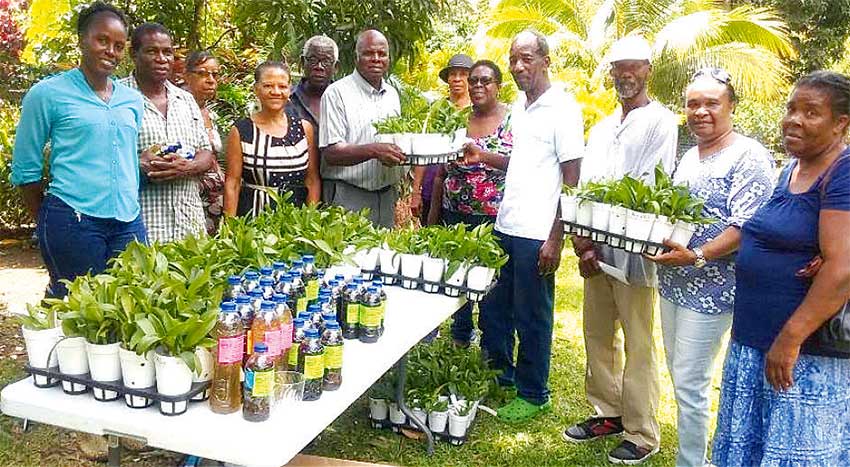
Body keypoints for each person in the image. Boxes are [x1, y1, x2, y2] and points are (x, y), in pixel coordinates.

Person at [711, 71, 850, 466]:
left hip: (801, 354)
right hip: (755, 340)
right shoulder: (790, 169)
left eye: (811, 112)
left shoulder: (843, 170)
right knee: (752, 448)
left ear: (841, 123)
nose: (794, 119)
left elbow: (843, 268)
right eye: (791, 109)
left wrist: (790, 339)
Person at [645, 69, 775, 467]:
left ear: (731, 106)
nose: (700, 111)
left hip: (713, 288)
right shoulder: (689, 155)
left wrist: (698, 255)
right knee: (679, 374)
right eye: (693, 104)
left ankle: (692, 462)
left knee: (690, 382)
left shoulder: (748, 155)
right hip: (673, 281)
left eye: (711, 103)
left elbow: (746, 225)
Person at [563, 36, 678, 465]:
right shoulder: (603, 127)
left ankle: (642, 431)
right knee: (596, 332)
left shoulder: (661, 121)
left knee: (638, 338)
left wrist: (607, 232)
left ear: (648, 69)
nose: (625, 74)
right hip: (596, 245)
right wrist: (583, 240)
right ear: (611, 71)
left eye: (633, 67)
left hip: (636, 248)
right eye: (618, 67)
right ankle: (607, 412)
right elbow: (587, 187)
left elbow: (647, 186)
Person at [11, 2, 145, 298]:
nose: (111, 51)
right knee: (76, 310)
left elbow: (125, 159)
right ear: (82, 39)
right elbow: (25, 168)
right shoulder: (47, 94)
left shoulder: (132, 101)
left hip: (128, 222)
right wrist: (50, 217)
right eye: (102, 40)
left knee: (130, 305)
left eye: (119, 45)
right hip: (74, 220)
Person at [481, 30, 583, 423]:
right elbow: (522, 164)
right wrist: (484, 156)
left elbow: (572, 179)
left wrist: (556, 238)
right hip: (507, 224)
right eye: (513, 58)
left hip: (537, 231)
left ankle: (534, 392)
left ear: (545, 60)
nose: (518, 66)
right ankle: (504, 378)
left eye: (527, 58)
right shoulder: (521, 107)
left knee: (532, 315)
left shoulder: (563, 108)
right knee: (496, 308)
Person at [427, 60, 512, 347]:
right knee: (456, 281)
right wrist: (433, 218)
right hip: (455, 215)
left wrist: (484, 156)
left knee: (491, 286)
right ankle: (459, 338)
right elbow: (440, 172)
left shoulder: (513, 120)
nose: (478, 86)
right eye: (474, 81)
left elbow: (522, 166)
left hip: (493, 218)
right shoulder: (457, 120)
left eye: (485, 81)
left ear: (498, 85)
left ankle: (493, 348)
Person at [121, 23, 215, 244]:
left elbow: (206, 152)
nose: (161, 58)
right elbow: (104, 162)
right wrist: (141, 166)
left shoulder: (186, 100)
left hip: (189, 227)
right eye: (152, 51)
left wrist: (189, 166)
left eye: (167, 52)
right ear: (134, 54)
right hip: (141, 227)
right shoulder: (117, 98)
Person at [319, 29, 406, 227]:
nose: (376, 58)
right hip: (347, 196)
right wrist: (375, 150)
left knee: (383, 255)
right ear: (356, 57)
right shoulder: (336, 93)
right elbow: (331, 153)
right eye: (369, 53)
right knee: (347, 255)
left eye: (382, 54)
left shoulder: (392, 95)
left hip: (385, 197)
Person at [223, 61, 321, 216]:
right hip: (253, 219)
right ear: (256, 89)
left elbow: (312, 180)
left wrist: (311, 219)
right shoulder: (241, 131)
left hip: (295, 220)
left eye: (282, 86)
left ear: (289, 89)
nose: (276, 92)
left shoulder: (304, 128)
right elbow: (232, 184)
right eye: (268, 86)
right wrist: (228, 229)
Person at [413, 53, 473, 223]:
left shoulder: (477, 111)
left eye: (463, 74)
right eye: (453, 74)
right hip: (432, 187)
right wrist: (415, 191)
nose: (457, 79)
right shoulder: (436, 109)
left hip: (464, 192)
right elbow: (422, 149)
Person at [184, 50, 225, 235]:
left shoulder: (210, 112)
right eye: (202, 73)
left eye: (214, 74)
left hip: (216, 199)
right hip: (191, 197)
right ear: (187, 76)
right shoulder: (178, 109)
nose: (210, 80)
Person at [286, 35, 339, 145]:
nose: (319, 67)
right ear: (302, 62)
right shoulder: (285, 99)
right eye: (313, 60)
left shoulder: (346, 100)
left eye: (326, 61)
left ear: (336, 67)